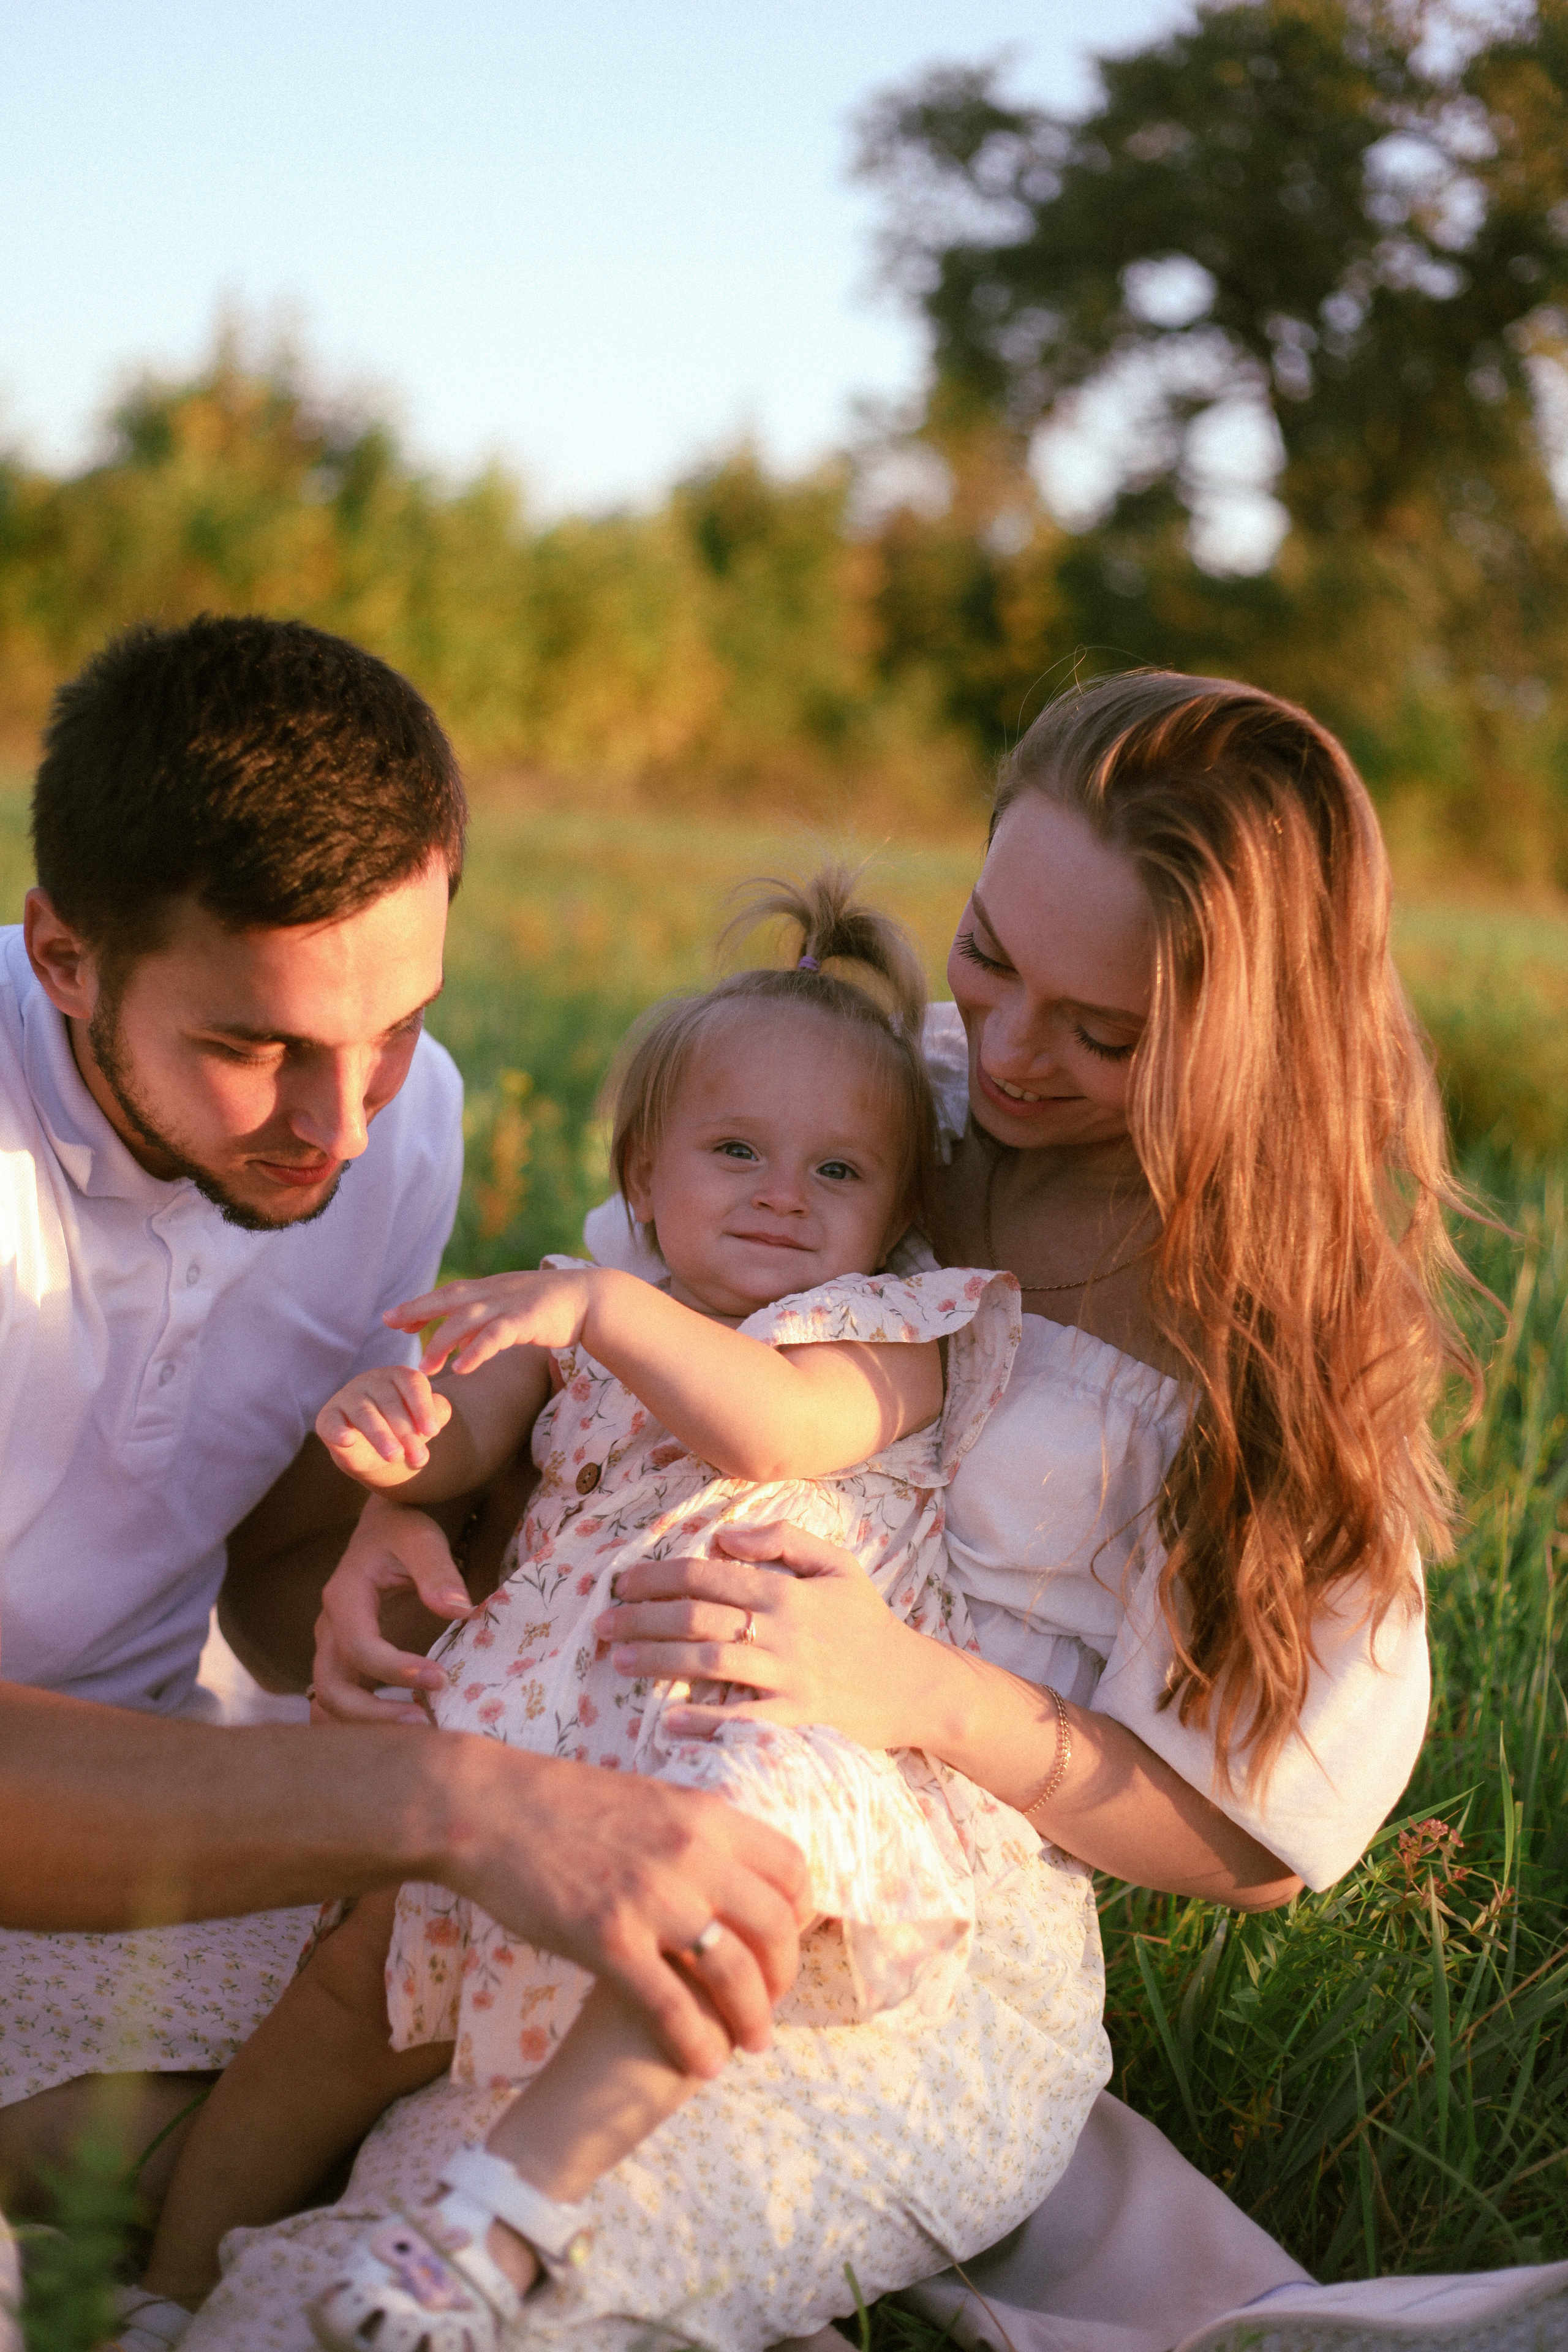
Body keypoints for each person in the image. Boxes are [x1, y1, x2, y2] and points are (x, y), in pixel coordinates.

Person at [257, 672, 1568, 2352]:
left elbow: (1249, 1838)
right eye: (992, 956)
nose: (1011, 1053)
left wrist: (914, 1693)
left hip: (901, 1911)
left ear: (1247, 1044)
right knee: (206, 2036)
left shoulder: (1268, 1332)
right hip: (578, 1750)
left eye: (1105, 1035)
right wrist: (414, 1513)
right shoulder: (882, 1102)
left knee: (444, 2268)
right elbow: (603, 1329)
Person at [126, 875, 1106, 2352]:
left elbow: (769, 1432)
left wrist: (592, 1305)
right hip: (523, 1727)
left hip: (735, 1714)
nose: (784, 1193)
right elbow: (466, 1444)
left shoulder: (886, 1334)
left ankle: (498, 2222)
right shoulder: (573, 1315)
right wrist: (394, 1432)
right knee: (344, 1995)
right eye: (734, 1151)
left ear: (898, 1214)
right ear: (643, 1180)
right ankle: (160, 2282)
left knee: (708, 1916)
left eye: (839, 1172)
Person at [0, 617, 808, 2245]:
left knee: (579, 2080)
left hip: (163, 1800)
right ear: (63, 955)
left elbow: (266, 1553)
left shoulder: (396, 1122)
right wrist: (467, 1806)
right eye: (254, 1048)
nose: (342, 1122)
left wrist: (396, 1549)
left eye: (395, 1028)